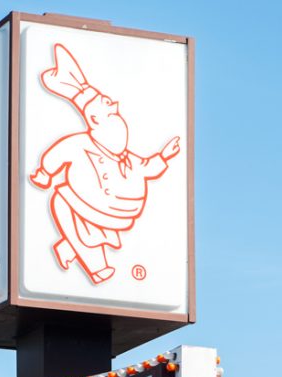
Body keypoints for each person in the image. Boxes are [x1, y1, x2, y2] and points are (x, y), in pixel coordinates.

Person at [30, 44, 180, 284]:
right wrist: (44, 173)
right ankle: (96, 267)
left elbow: (147, 167)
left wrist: (164, 156)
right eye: (107, 105)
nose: (114, 105)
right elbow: (55, 155)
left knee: (87, 227)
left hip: (117, 212)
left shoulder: (126, 156)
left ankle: (70, 250)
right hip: (90, 204)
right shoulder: (80, 144)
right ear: (94, 118)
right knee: (63, 204)